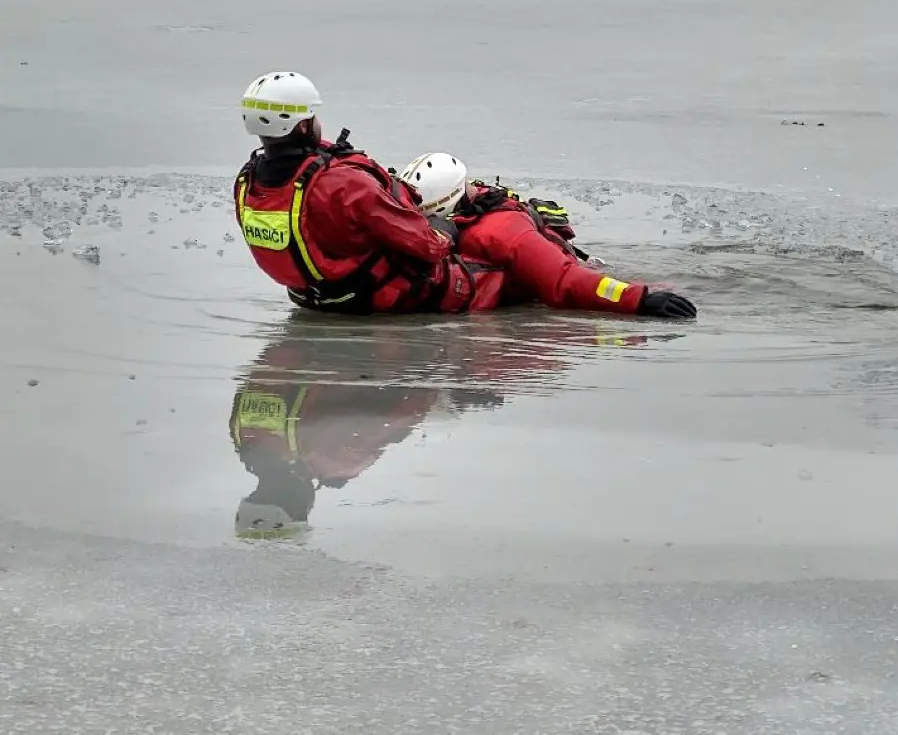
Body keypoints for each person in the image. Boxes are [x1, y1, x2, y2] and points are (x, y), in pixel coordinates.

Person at [233, 71, 696, 318]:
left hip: (313, 298)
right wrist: (638, 299)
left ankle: (558, 233)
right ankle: (559, 232)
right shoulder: (344, 183)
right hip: (386, 298)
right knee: (542, 265)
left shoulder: (248, 181)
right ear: (301, 123)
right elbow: (560, 282)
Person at [230, 310, 663, 538]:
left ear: (299, 507)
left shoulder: (324, 458)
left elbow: (394, 416)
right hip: (336, 330)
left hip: (376, 344)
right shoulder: (244, 437)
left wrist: (446, 393)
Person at [396, 152, 698, 318]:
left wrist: (637, 299)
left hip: (570, 273)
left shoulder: (500, 232)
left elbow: (563, 279)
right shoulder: (469, 214)